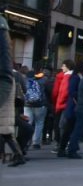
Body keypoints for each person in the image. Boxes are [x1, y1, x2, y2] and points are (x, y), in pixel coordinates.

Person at [0, 13, 25, 166]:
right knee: (6, 129)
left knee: (5, 128)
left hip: (4, 87)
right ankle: (18, 155)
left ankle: (17, 155)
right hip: (5, 87)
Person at [23, 69, 48, 149]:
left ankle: (26, 142)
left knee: (27, 123)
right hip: (40, 105)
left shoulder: (25, 81)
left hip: (27, 105)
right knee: (39, 123)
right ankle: (36, 143)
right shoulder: (43, 81)